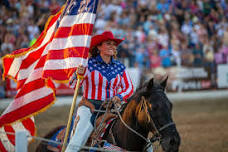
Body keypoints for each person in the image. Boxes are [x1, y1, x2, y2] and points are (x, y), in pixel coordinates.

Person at [65, 31, 134, 152]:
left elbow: (129, 87)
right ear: (99, 47)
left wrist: (119, 96)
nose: (112, 46)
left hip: (112, 108)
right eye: (108, 43)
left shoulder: (119, 66)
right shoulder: (87, 64)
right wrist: (78, 74)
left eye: (114, 44)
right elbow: (73, 85)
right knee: (78, 139)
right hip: (90, 107)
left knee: (133, 128)